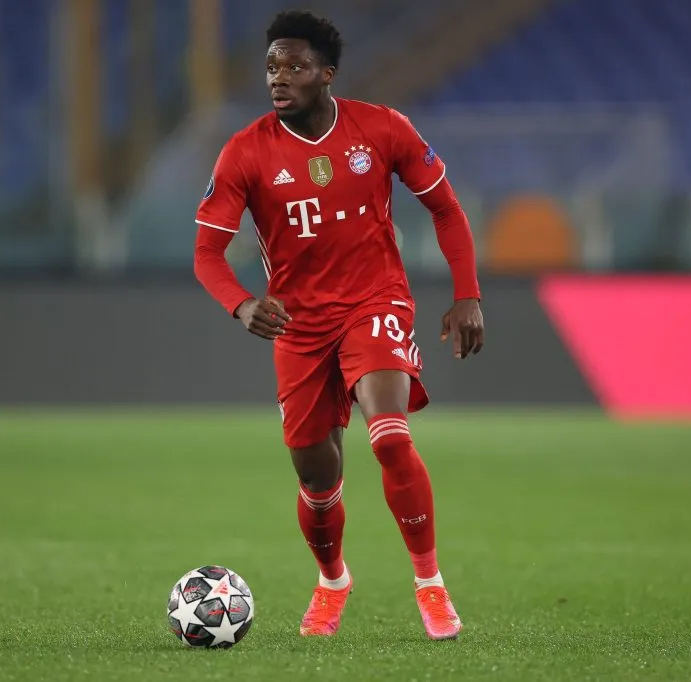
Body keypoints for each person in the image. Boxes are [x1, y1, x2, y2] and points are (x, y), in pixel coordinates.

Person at [193, 10, 484, 640]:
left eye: (295, 66)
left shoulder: (381, 128)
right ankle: (332, 582)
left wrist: (467, 295)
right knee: (316, 478)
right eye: (272, 66)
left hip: (374, 301)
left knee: (389, 436)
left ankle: (431, 586)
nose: (279, 77)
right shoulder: (245, 151)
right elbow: (207, 253)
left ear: (327, 73)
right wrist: (242, 304)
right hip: (297, 324)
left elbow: (446, 209)